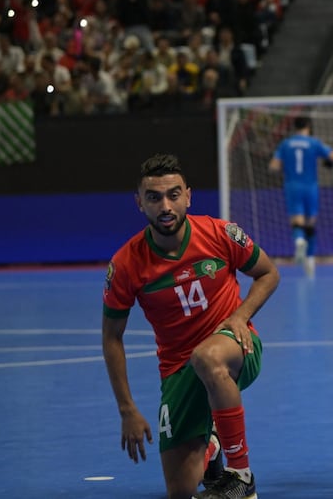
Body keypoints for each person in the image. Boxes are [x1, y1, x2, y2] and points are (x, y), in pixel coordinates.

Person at [102, 154, 281, 499]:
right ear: (140, 203)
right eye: (154, 198)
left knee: (207, 357)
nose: (165, 206)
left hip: (235, 348)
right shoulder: (126, 264)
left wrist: (240, 316)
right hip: (178, 369)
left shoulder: (219, 233)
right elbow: (112, 337)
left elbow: (268, 273)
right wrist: (127, 408)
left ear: (188, 196)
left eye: (173, 195)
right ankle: (212, 445)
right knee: (181, 490)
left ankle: (240, 475)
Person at [269, 116, 333, 277]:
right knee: (310, 224)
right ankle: (310, 260)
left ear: (294, 127)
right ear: (308, 126)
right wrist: (329, 163)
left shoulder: (286, 143)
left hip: (292, 186)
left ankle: (299, 241)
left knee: (297, 222)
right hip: (311, 187)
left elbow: (274, 166)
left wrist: (284, 166)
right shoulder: (314, 142)